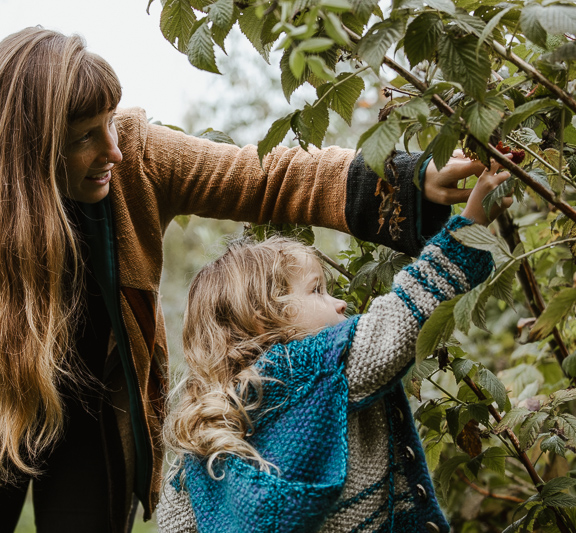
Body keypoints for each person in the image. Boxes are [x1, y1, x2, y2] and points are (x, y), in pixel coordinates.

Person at [0, 27, 488, 533]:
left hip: (92, 405)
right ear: (29, 152)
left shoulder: (134, 157)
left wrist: (408, 182)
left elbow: (263, 177)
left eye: (110, 122)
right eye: (85, 137)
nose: (113, 148)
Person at [155, 163, 512, 533]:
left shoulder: (204, 429)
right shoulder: (322, 369)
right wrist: (472, 223)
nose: (340, 303)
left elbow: (174, 524)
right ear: (264, 315)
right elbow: (403, 317)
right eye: (317, 290)